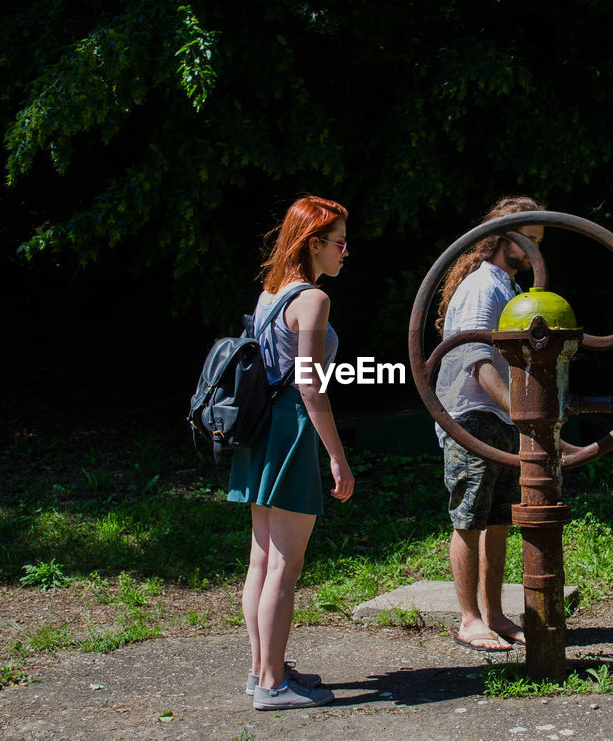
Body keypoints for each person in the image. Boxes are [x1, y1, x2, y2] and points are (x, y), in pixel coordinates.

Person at [229, 195, 355, 710]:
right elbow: (311, 386)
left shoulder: (270, 294)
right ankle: (272, 686)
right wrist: (338, 458)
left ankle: (264, 671)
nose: (346, 252)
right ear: (314, 244)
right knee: (286, 563)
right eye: (340, 242)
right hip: (292, 432)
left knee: (261, 559)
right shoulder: (313, 301)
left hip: (259, 431)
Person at [434, 195, 545, 652]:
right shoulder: (483, 287)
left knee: (498, 521)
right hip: (471, 416)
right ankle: (469, 619)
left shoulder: (509, 289)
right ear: (504, 237)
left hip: (497, 415)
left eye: (540, 242)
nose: (535, 251)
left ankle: (495, 614)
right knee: (469, 519)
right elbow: (476, 359)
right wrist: (524, 414)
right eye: (529, 240)